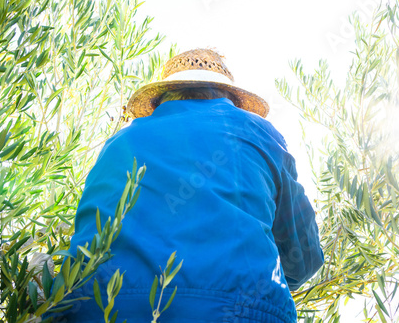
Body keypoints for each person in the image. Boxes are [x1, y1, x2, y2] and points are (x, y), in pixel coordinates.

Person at [50, 49, 324, 322]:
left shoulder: (118, 143)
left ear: (160, 100)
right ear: (229, 97)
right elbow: (304, 258)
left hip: (98, 310)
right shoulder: (258, 133)